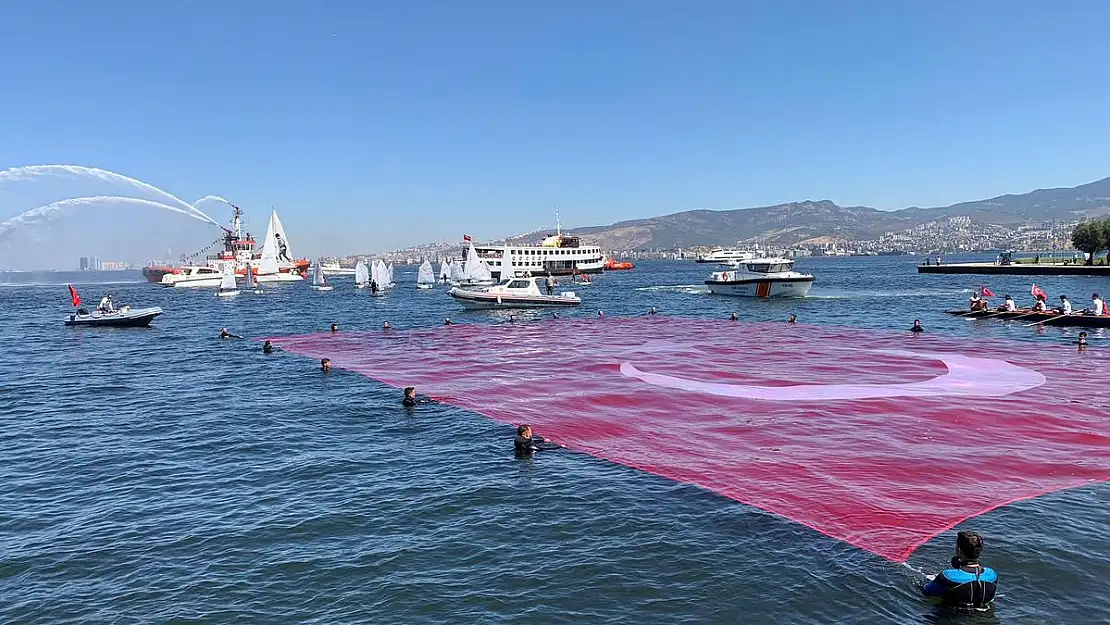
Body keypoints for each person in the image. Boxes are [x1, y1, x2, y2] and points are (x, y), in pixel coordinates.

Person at [921, 530, 998, 612]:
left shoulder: (948, 576)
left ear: (959, 549)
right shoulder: (992, 575)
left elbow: (927, 591)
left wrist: (930, 579)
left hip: (952, 616)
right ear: (980, 550)